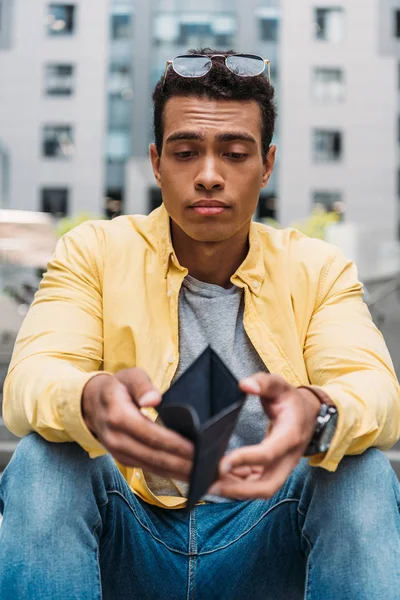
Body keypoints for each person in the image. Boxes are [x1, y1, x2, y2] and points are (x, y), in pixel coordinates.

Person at [1, 48, 400, 600]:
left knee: (360, 471)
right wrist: (90, 398)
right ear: (156, 162)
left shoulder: (317, 268)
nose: (209, 176)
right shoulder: (94, 250)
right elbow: (32, 378)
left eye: (235, 154)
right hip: (130, 537)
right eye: (186, 152)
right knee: (45, 461)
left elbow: (373, 388)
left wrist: (316, 413)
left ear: (267, 165)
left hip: (265, 537)